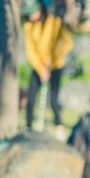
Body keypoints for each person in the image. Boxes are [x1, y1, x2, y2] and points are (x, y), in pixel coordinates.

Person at [22, 0, 74, 140]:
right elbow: (30, 52)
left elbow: (66, 43)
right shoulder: (28, 26)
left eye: (33, 12)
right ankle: (28, 127)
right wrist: (41, 69)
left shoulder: (54, 22)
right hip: (39, 67)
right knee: (31, 97)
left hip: (56, 66)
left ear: (40, 10)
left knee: (53, 99)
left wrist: (54, 58)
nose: (31, 16)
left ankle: (59, 126)